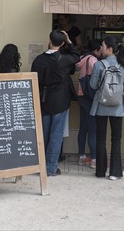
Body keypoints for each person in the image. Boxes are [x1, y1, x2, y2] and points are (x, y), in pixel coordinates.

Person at [31, 30, 79, 176]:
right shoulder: (63, 59)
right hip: (60, 101)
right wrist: (70, 42)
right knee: (56, 135)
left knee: (44, 134)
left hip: (44, 100)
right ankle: (51, 168)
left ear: (49, 40)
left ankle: (41, 166)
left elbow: (35, 81)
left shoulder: (38, 60)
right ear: (63, 43)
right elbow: (76, 57)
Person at [89, 37, 124, 180]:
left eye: (103, 46)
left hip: (101, 106)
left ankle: (100, 171)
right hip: (118, 107)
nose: (101, 49)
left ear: (110, 49)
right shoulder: (123, 65)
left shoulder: (99, 65)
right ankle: (115, 172)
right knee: (116, 139)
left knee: (101, 138)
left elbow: (93, 85)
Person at [75, 39, 102, 169]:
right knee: (93, 128)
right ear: (96, 49)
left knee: (83, 127)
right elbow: (96, 81)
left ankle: (81, 156)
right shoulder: (94, 61)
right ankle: (94, 159)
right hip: (91, 97)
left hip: (81, 95)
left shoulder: (82, 58)